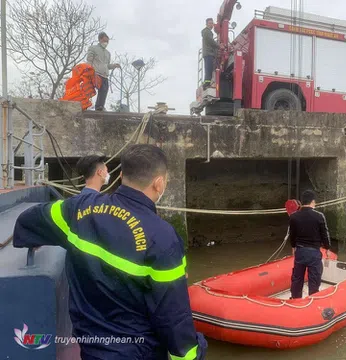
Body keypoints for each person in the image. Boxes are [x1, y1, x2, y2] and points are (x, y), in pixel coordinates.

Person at [13, 144, 207, 360]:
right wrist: (196, 351)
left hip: (92, 347)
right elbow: (174, 321)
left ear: (122, 175)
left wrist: (32, 238)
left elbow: (29, 220)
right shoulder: (163, 239)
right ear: (159, 183)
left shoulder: (77, 209)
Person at [289, 190, 331, 299]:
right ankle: (312, 300)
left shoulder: (293, 216)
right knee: (314, 278)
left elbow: (292, 234)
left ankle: (295, 299)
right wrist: (327, 248)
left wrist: (293, 246)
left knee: (297, 278)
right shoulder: (319, 216)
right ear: (313, 201)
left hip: (300, 251)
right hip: (314, 252)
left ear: (301, 202)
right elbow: (324, 234)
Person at [86, 32, 121, 111]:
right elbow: (89, 60)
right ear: (100, 39)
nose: (106, 43)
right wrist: (89, 71)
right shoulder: (93, 48)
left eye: (107, 42)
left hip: (105, 75)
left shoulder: (108, 53)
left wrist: (114, 65)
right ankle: (84, 104)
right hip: (95, 73)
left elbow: (107, 65)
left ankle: (99, 107)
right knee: (88, 89)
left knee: (104, 90)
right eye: (105, 41)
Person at [201, 18, 219, 90]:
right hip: (209, 54)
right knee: (208, 70)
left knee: (209, 70)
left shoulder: (207, 32)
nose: (211, 25)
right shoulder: (207, 32)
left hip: (209, 54)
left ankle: (206, 84)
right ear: (207, 24)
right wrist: (218, 45)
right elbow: (211, 41)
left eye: (212, 23)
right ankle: (206, 85)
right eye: (210, 23)